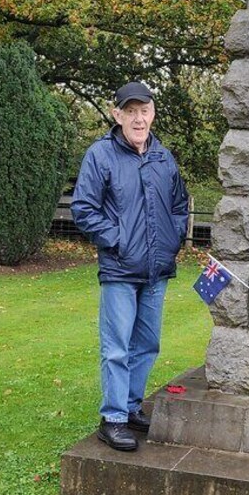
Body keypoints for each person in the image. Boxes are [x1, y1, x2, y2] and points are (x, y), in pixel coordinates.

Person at [71, 81, 189, 451]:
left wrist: (171, 243)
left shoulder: (163, 157)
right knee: (117, 347)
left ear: (153, 113)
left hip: (157, 269)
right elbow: (84, 210)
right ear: (117, 114)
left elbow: (180, 204)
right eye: (131, 111)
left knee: (147, 344)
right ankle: (113, 418)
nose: (139, 119)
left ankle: (131, 406)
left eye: (145, 110)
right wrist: (119, 241)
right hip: (120, 269)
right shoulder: (101, 155)